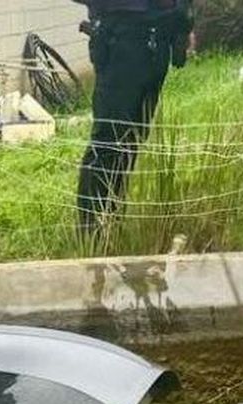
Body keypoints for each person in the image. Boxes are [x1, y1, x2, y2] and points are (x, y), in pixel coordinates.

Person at [74, 0, 193, 235]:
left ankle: (112, 223)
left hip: (159, 38)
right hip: (119, 39)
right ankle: (91, 234)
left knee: (132, 141)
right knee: (109, 141)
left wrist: (184, 25)